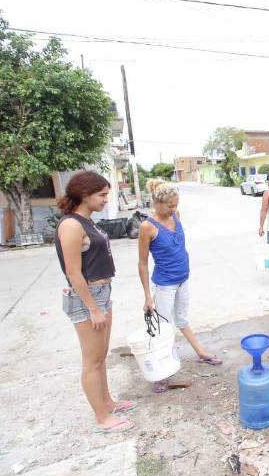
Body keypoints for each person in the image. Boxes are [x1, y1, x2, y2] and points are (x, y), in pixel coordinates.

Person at [55, 171, 134, 433]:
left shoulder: (87, 221)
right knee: (92, 361)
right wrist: (92, 308)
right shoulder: (71, 225)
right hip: (87, 297)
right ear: (84, 194)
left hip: (101, 293)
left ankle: (108, 402)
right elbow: (73, 271)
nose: (105, 199)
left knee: (101, 356)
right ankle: (102, 418)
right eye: (101, 195)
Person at [138, 179, 221, 394]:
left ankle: (201, 353)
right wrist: (148, 296)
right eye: (169, 206)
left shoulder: (176, 216)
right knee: (164, 330)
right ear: (156, 203)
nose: (173, 209)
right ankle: (161, 375)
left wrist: (174, 211)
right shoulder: (147, 227)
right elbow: (143, 264)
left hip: (183, 278)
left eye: (176, 205)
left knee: (182, 319)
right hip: (165, 285)